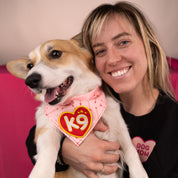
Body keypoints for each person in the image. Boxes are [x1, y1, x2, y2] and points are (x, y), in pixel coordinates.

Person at [26, 1, 178, 178]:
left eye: (123, 42)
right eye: (100, 51)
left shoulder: (173, 121)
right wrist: (64, 152)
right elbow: (34, 138)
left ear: (150, 48)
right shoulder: (91, 101)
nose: (112, 59)